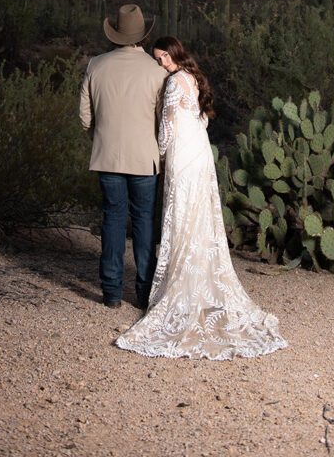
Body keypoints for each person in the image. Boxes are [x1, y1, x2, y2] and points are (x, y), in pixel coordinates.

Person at [116, 36, 288, 360]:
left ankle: (183, 291)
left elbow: (166, 128)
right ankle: (195, 285)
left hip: (183, 156)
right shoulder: (195, 78)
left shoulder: (173, 83)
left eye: (164, 57)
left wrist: (161, 156)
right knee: (197, 220)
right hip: (200, 154)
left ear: (176, 53)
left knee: (183, 219)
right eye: (158, 59)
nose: (162, 63)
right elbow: (202, 120)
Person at [79, 3, 167, 309]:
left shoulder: (95, 65)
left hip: (107, 157)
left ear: (115, 33)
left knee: (112, 220)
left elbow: (84, 117)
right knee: (144, 223)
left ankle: (112, 293)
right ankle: (144, 293)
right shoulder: (156, 72)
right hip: (145, 159)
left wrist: (102, 136)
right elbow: (162, 121)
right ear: (142, 36)